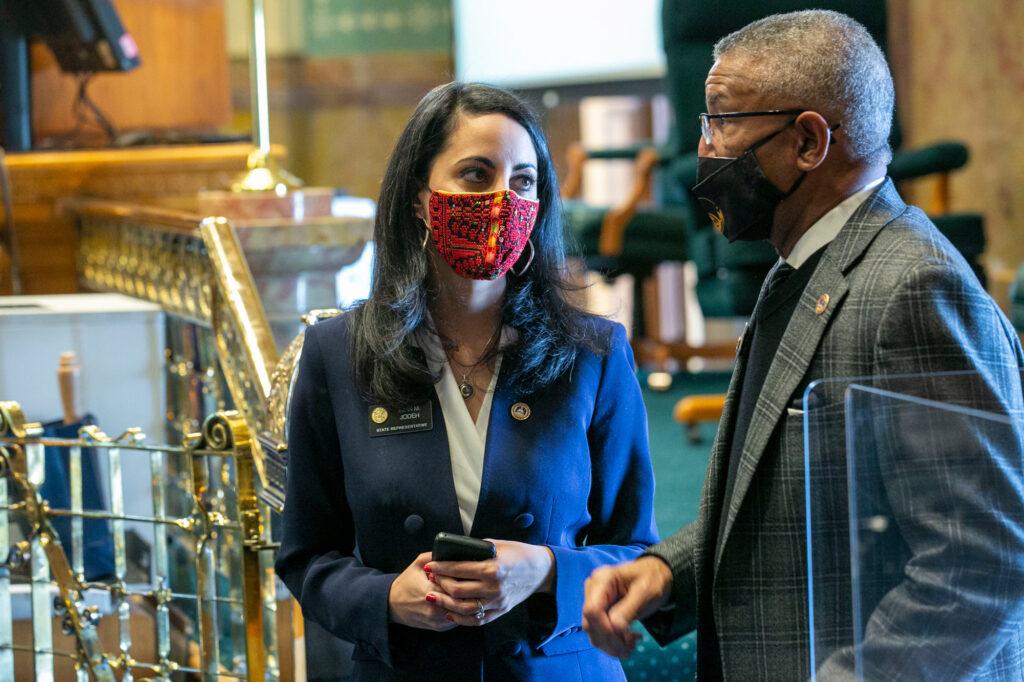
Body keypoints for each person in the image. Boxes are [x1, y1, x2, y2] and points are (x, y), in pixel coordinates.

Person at [582, 10, 1024, 680]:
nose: (704, 149)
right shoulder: (805, 267)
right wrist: (665, 570)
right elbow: (789, 501)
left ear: (810, 141)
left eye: (722, 122)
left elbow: (982, 566)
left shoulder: (914, 289)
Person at [275, 81, 658, 680]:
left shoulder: (594, 352)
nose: (504, 200)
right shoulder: (337, 354)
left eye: (523, 181)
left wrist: (545, 569)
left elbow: (639, 551)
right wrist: (383, 599)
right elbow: (306, 556)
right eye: (477, 175)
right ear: (420, 198)